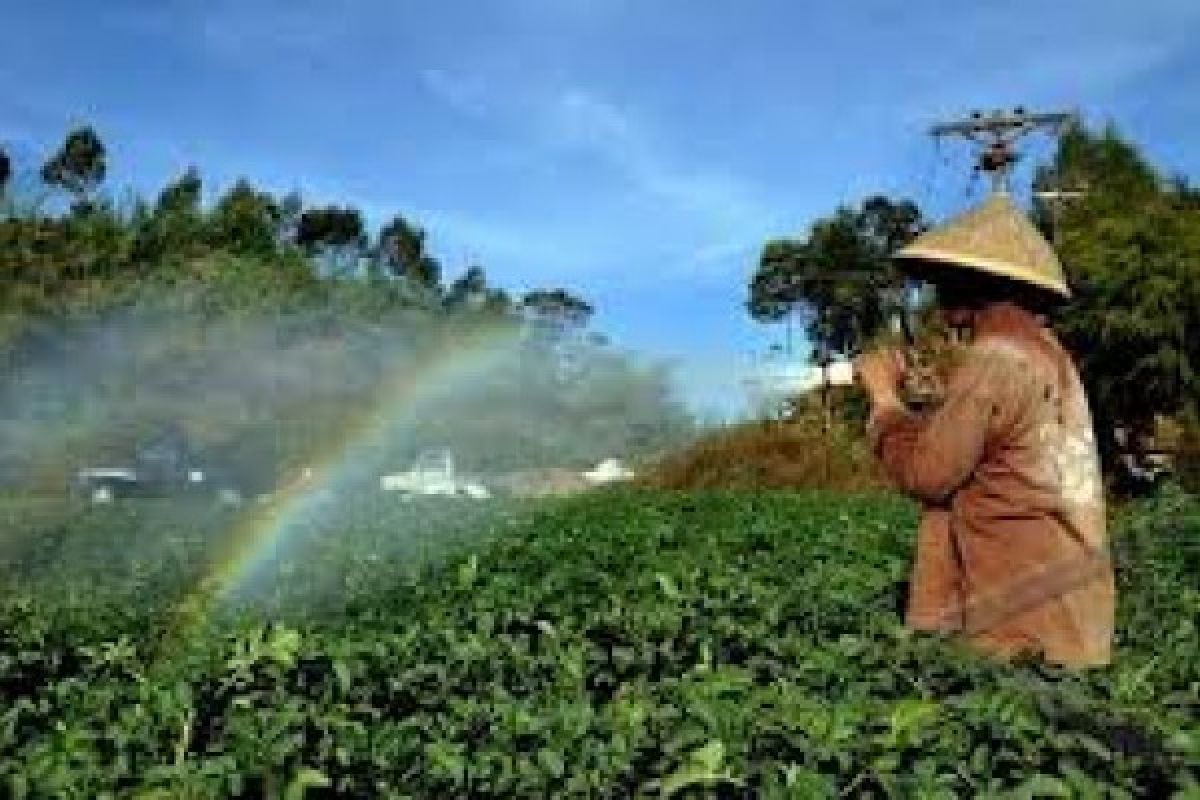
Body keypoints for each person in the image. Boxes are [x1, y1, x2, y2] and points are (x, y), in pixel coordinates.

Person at [855, 192, 1115, 668]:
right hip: (1068, 609)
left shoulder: (993, 359)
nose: (937, 292)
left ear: (977, 282)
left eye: (946, 278)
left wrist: (885, 401)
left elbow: (928, 474)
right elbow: (992, 458)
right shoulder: (1045, 354)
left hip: (1019, 626)